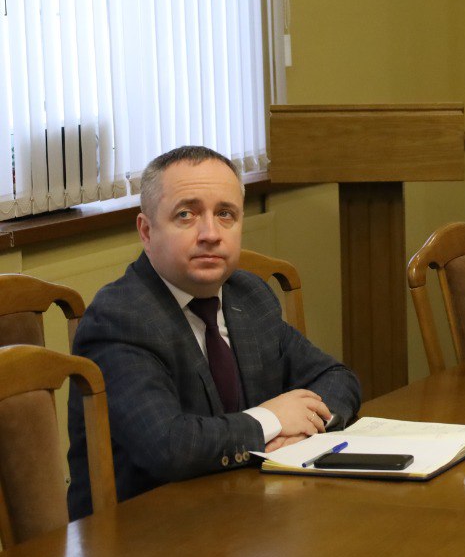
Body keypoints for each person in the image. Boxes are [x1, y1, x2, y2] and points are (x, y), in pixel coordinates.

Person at [67, 146, 361, 519]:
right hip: (144, 533)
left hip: (246, 512)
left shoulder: (248, 295)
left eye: (225, 214)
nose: (210, 234)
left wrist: (302, 431)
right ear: (146, 231)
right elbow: (169, 447)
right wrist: (270, 421)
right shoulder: (119, 318)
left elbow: (337, 377)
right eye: (186, 215)